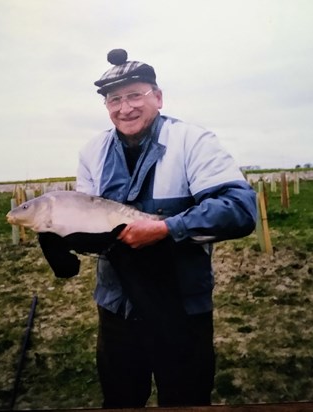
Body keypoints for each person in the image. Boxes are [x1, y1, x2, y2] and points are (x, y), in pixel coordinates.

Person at [75, 49, 257, 408]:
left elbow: (239, 208)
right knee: (120, 398)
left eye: (134, 95)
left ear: (157, 97)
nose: (124, 108)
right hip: (117, 309)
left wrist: (166, 228)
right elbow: (86, 219)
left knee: (185, 398)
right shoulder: (92, 151)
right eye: (114, 99)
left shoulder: (192, 141)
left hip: (182, 307)